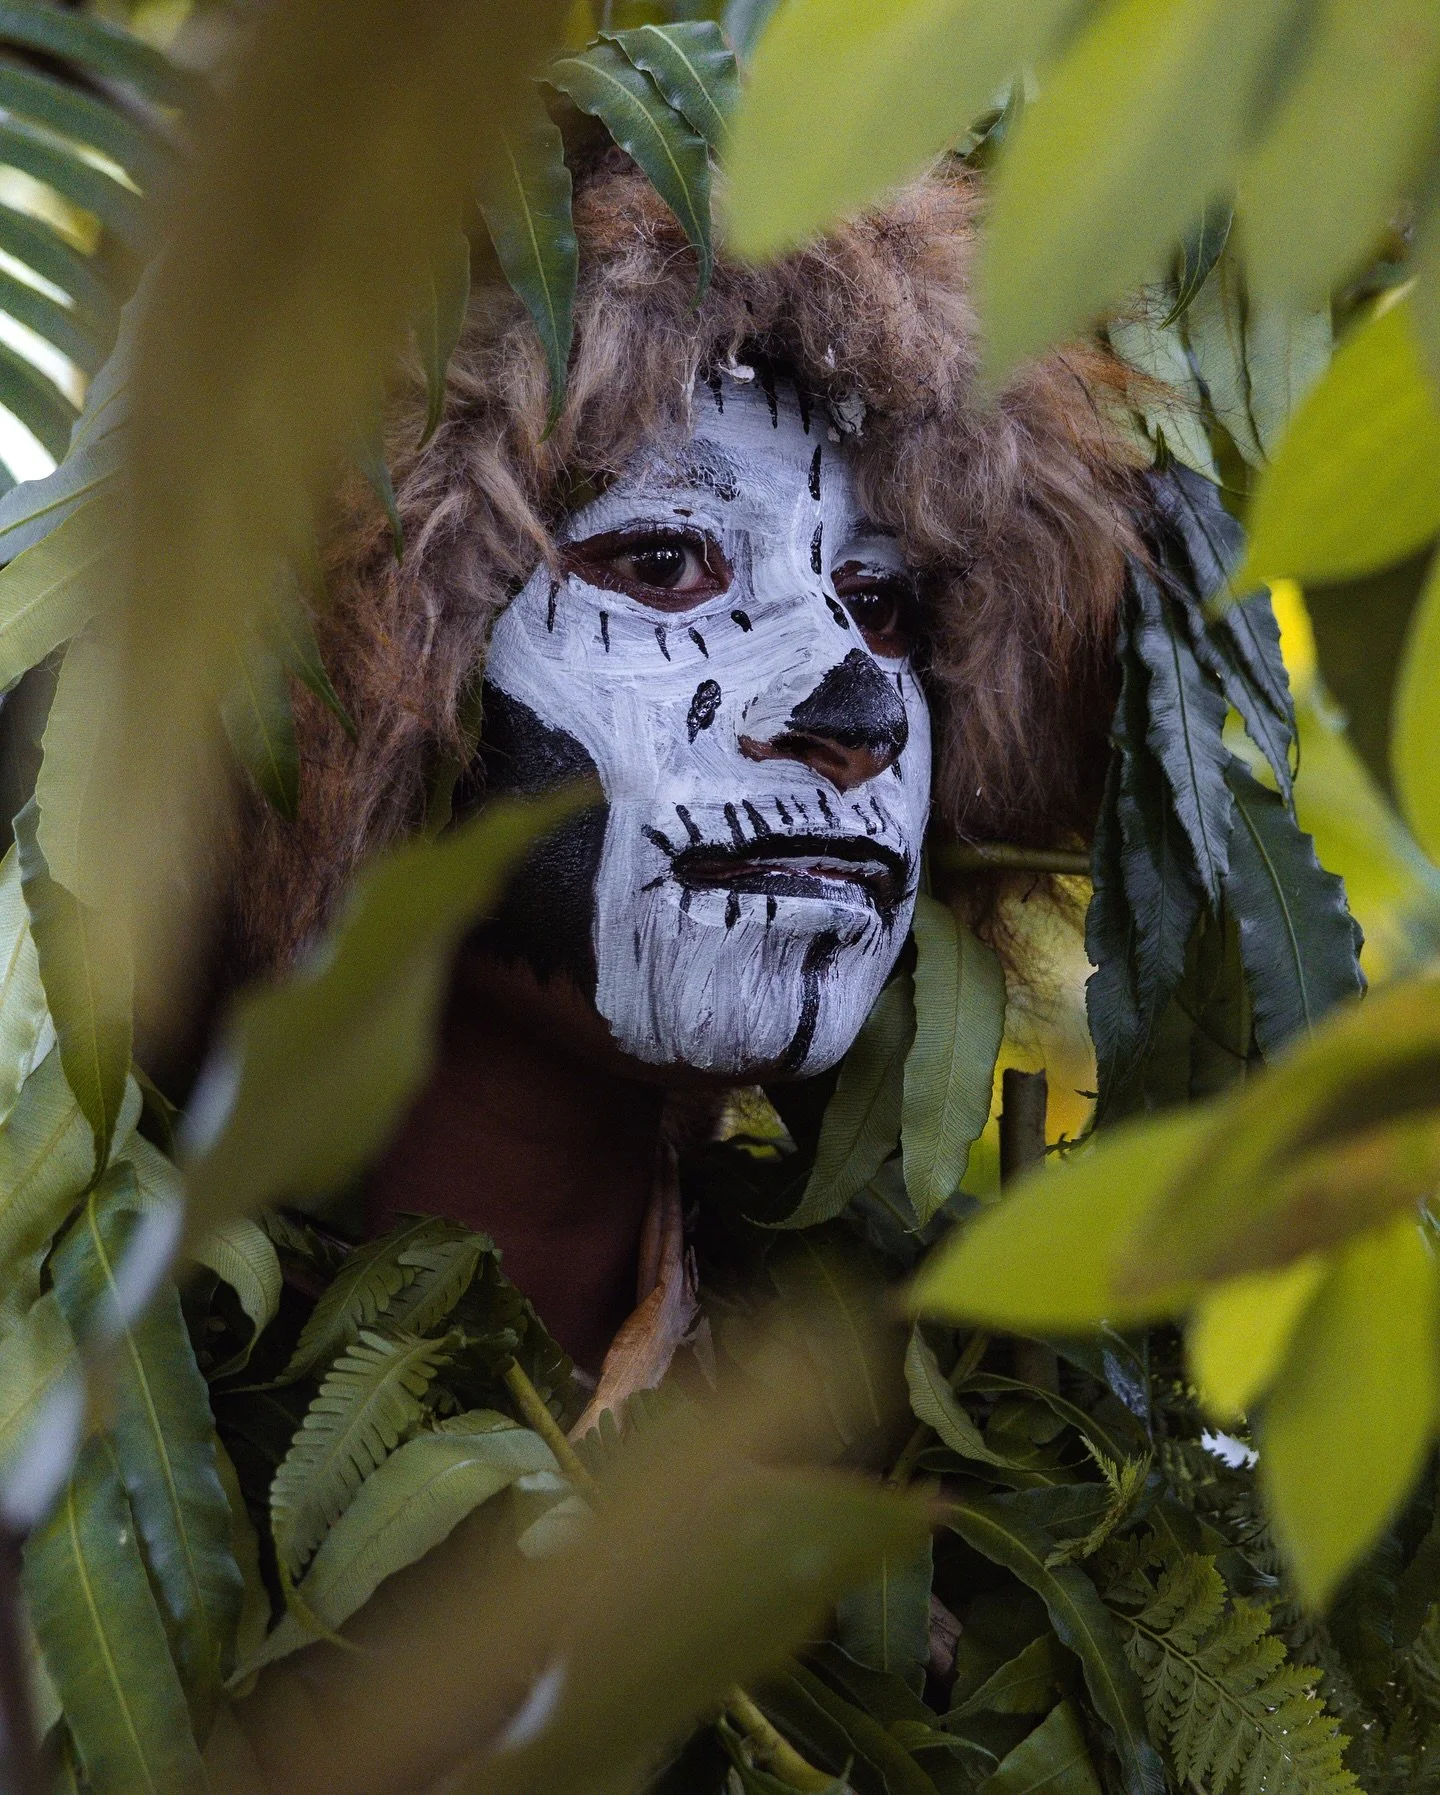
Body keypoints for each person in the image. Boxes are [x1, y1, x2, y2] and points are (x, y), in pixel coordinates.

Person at [219, 147, 1152, 1388]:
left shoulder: (945, 1429)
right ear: (360, 677)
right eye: (663, 565)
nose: (859, 709)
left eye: (881, 602)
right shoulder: (70, 1421)